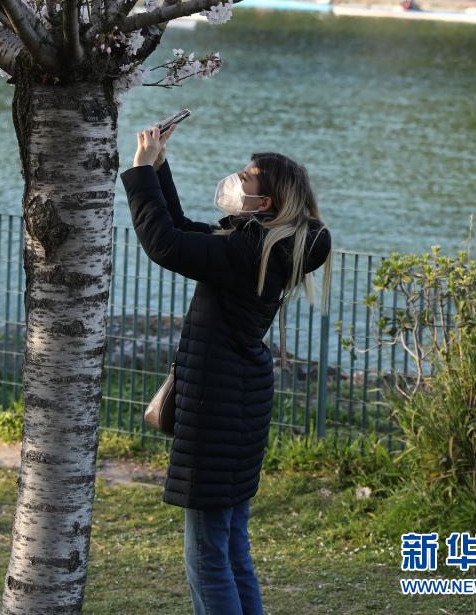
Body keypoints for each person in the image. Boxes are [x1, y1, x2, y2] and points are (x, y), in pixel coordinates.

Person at [120, 125, 332, 615]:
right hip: (240, 402)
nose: (236, 179)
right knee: (232, 547)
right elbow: (181, 229)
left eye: (247, 176)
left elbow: (164, 245)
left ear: (266, 202)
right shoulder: (261, 247)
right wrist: (157, 168)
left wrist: (138, 170)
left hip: (216, 406)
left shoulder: (247, 252)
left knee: (208, 556)